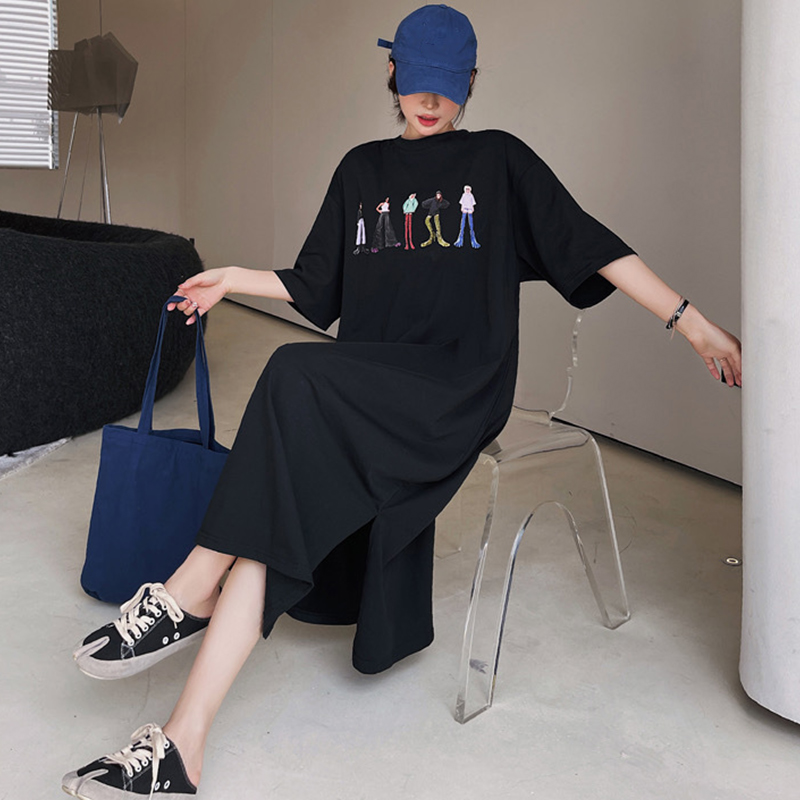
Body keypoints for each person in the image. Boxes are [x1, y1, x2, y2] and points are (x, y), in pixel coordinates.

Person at [62, 5, 743, 798]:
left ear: (472, 83)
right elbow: (315, 286)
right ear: (392, 73)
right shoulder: (361, 170)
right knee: (273, 506)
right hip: (368, 388)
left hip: (457, 388)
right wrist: (233, 279)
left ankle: (186, 590)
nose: (430, 101)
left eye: (448, 87)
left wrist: (693, 325)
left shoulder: (499, 161)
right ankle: (183, 745)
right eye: (418, 82)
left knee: (291, 377)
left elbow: (593, 246)